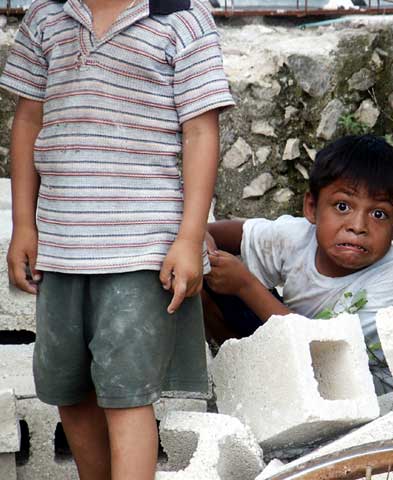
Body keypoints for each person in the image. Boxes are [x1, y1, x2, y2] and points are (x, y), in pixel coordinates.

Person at [1, 0, 234, 478]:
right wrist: (24, 224)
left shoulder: (182, 19)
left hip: (141, 249)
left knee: (126, 396)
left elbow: (200, 132)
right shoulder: (46, 17)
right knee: (69, 391)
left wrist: (190, 237)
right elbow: (28, 121)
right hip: (61, 248)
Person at [203, 134, 393, 391]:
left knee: (244, 287)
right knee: (199, 276)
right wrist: (206, 253)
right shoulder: (298, 235)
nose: (358, 226)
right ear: (312, 207)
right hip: (290, 346)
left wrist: (245, 286)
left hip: (356, 385)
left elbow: (327, 354)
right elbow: (210, 232)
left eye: (378, 214)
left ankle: (257, 386)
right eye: (342, 206)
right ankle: (240, 378)